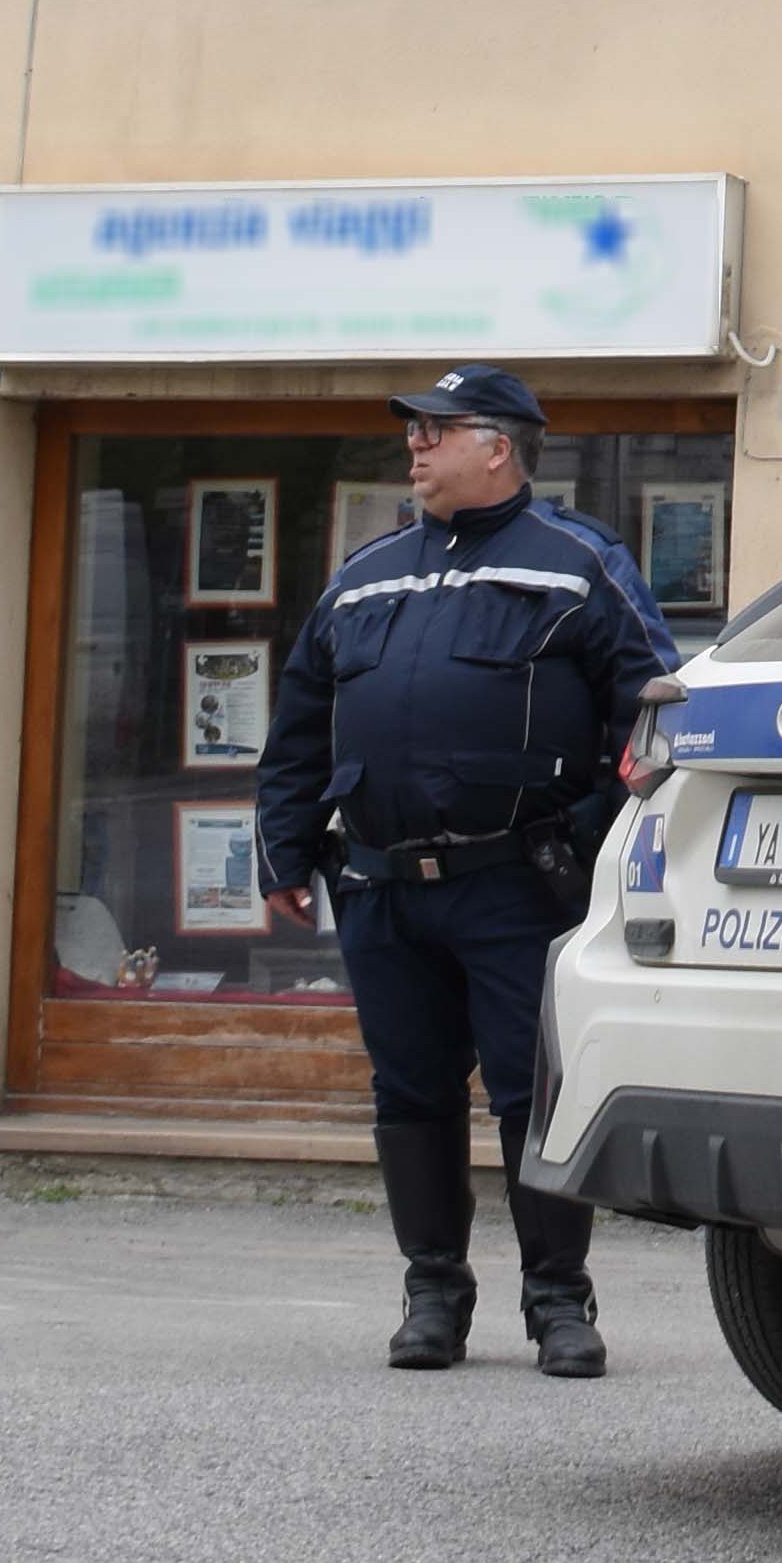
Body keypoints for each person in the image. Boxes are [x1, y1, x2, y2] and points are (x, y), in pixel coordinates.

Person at [256, 369, 671, 1378]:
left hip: (515, 885)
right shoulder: (367, 573)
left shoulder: (577, 562)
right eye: (414, 431)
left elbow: (654, 715)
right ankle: (433, 1294)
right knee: (410, 1091)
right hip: (382, 886)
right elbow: (300, 722)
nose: (415, 445)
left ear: (498, 447)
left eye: (436, 430)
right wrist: (284, 849)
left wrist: (588, 841)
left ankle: (558, 1301)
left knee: (531, 1091)